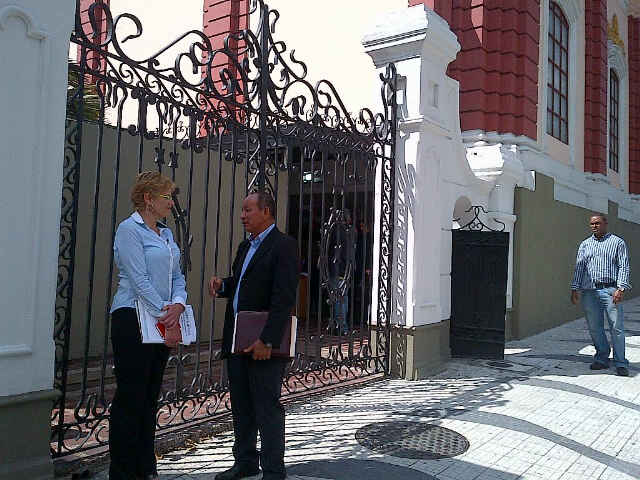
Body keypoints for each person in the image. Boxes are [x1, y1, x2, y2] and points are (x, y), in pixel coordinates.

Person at [208, 191, 298, 480]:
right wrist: (223, 285)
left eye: (248, 210)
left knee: (267, 407)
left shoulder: (284, 246)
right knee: (242, 406)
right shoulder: (245, 247)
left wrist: (268, 340)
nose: (242, 215)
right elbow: (242, 284)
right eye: (242, 210)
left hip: (263, 344)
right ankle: (245, 461)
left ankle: (273, 470)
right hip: (237, 340)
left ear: (267, 211)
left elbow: (283, 298)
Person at [109, 171, 187, 480]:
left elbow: (177, 276)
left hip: (161, 319)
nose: (171, 202)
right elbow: (138, 279)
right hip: (133, 318)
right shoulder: (129, 230)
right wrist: (166, 313)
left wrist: (178, 304)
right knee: (131, 396)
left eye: (171, 196)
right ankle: (124, 471)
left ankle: (145, 468)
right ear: (147, 199)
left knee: (150, 395)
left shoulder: (166, 234)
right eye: (166, 197)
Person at [571, 214, 630, 377]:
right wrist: (575, 288)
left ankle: (620, 363)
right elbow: (579, 268)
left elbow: (624, 266)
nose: (594, 226)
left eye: (597, 223)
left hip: (611, 290)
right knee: (594, 327)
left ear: (605, 223)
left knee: (616, 327)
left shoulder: (617, 243)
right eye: (592, 224)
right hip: (590, 291)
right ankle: (602, 358)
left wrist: (621, 288)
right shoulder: (585, 244)